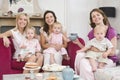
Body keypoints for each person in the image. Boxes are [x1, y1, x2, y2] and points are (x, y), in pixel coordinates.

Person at [75, 8, 117, 80]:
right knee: (80, 57)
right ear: (92, 20)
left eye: (98, 15)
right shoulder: (92, 33)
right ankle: (78, 77)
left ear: (103, 16)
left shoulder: (111, 31)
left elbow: (112, 52)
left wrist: (99, 51)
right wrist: (78, 43)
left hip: (106, 58)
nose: (96, 17)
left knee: (85, 63)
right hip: (94, 57)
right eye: (93, 16)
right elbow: (88, 48)